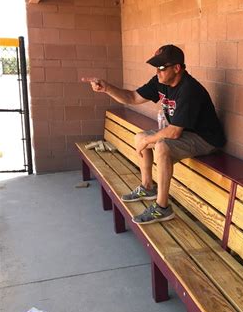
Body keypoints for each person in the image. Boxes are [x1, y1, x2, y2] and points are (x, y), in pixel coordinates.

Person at [83, 44, 226, 224]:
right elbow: (132, 98)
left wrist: (148, 141)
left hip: (206, 139)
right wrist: (107, 88)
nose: (157, 72)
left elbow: (173, 133)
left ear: (177, 68)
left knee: (162, 146)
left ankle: (162, 207)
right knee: (140, 136)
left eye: (161, 68)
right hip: (184, 132)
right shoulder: (161, 82)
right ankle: (147, 187)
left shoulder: (189, 89)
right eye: (155, 67)